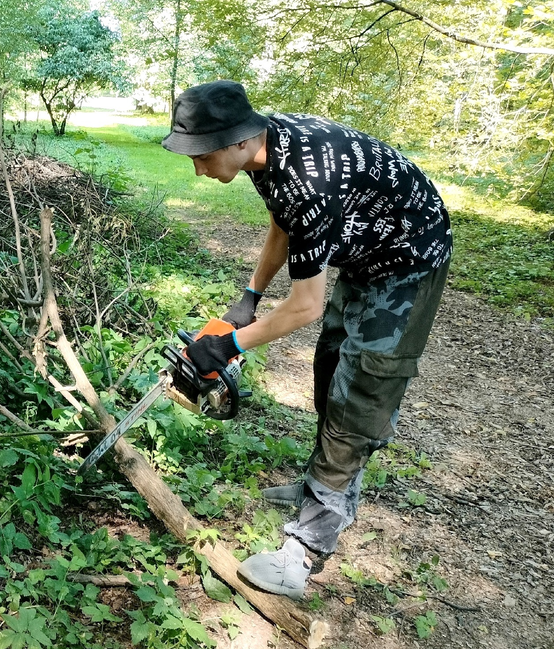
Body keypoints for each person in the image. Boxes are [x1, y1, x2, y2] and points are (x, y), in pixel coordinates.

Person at [162, 80, 452, 600]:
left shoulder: (308, 178)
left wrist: (229, 346)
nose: (197, 169)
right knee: (331, 366)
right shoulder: (265, 152)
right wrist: (250, 296)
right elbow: (283, 222)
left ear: (234, 141)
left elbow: (305, 307)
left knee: (361, 390)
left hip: (408, 260)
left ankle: (306, 550)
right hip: (364, 255)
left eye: (200, 156)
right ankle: (320, 488)